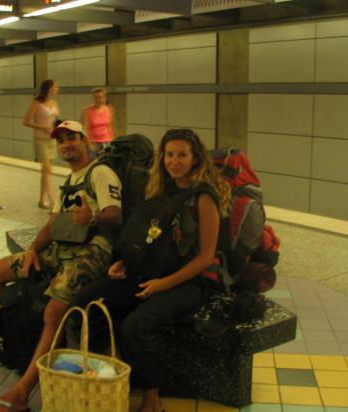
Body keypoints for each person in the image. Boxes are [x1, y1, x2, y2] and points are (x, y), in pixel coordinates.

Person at [0, 121, 123, 412]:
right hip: (61, 249)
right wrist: (32, 250)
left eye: (72, 138)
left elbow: (115, 215)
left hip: (90, 253)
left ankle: (21, 394)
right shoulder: (68, 180)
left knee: (54, 311)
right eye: (61, 140)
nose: (66, 144)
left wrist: (92, 218)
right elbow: (52, 224)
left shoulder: (100, 172)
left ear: (85, 141)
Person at [70, 128, 231, 412]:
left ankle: (152, 400)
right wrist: (126, 262)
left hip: (191, 282)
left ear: (195, 158)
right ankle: (105, 372)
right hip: (153, 272)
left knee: (137, 325)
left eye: (182, 155)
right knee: (86, 302)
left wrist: (164, 284)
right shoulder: (162, 190)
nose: (174, 161)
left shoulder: (204, 198)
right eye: (169, 155)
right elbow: (149, 236)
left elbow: (206, 257)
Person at [23, 79, 60, 210]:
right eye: (56, 86)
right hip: (40, 139)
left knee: (46, 171)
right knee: (48, 169)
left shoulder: (54, 103)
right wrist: (42, 127)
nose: (57, 88)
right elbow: (26, 121)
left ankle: (41, 200)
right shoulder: (37, 103)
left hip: (52, 139)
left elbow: (54, 120)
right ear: (49, 88)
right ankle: (53, 202)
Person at [80, 87, 115, 152]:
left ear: (105, 98)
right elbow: (84, 129)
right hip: (94, 143)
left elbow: (110, 127)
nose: (100, 100)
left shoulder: (109, 109)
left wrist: (113, 141)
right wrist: (89, 143)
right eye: (97, 98)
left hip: (108, 141)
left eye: (102, 97)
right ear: (94, 98)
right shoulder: (87, 110)